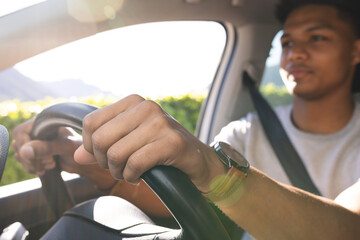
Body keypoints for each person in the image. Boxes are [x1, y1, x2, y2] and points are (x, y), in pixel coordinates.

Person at [11, 0, 360, 239]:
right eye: (286, 42)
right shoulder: (247, 132)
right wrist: (75, 153)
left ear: (355, 50)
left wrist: (216, 171)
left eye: (317, 38)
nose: (295, 52)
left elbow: (350, 228)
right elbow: (178, 198)